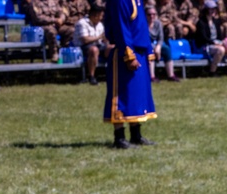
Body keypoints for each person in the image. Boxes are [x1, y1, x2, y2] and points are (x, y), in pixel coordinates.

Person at [103, 0, 157, 148]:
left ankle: (136, 134)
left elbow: (141, 27)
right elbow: (122, 29)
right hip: (125, 53)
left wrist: (148, 50)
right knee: (121, 96)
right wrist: (129, 55)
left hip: (139, 51)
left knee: (136, 97)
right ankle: (119, 137)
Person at [198, 0, 227, 74]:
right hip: (206, 45)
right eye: (210, 9)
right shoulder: (201, 22)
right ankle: (212, 71)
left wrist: (223, 42)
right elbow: (203, 38)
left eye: (214, 9)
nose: (213, 11)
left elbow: (219, 36)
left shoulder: (216, 21)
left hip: (217, 43)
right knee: (221, 50)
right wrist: (215, 42)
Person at [73, 3, 106, 84]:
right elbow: (85, 40)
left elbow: (102, 39)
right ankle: (91, 76)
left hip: (98, 45)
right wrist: (99, 37)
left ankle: (111, 73)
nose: (102, 18)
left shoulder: (100, 25)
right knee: (93, 50)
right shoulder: (82, 23)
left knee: (111, 48)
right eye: (101, 16)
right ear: (95, 15)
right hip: (83, 47)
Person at [147, 3, 180, 81]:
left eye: (154, 14)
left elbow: (161, 38)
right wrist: (153, 47)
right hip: (148, 45)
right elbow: (144, 39)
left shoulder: (158, 23)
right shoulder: (143, 24)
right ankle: (152, 76)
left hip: (157, 44)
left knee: (167, 49)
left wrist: (158, 47)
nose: (152, 16)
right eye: (149, 14)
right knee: (150, 51)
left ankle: (171, 75)